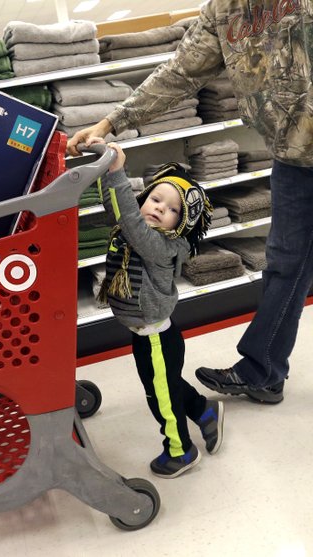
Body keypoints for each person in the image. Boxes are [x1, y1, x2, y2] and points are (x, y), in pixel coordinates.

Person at [67, 1, 312, 405]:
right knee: (285, 263)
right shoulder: (224, 10)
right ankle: (263, 371)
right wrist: (112, 122)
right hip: (294, 157)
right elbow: (182, 71)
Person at [90, 137, 221, 478]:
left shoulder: (161, 246)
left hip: (156, 340)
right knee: (167, 384)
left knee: (160, 397)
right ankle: (204, 412)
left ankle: (181, 450)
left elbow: (130, 221)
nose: (160, 207)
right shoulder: (134, 228)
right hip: (146, 334)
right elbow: (115, 207)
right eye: (156, 198)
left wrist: (119, 171)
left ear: (182, 225)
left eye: (173, 209)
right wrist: (107, 162)